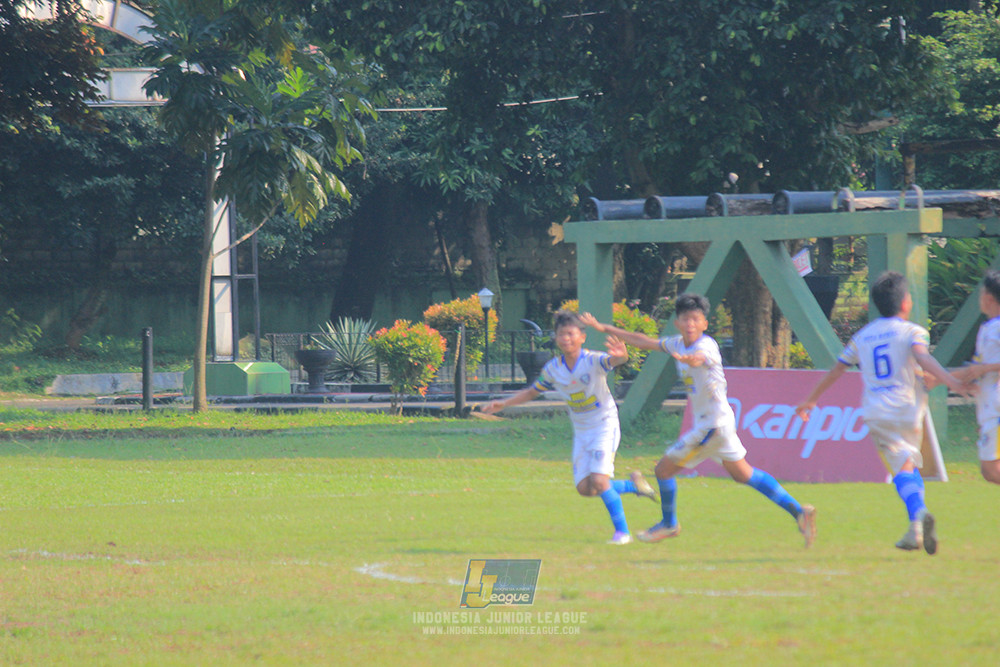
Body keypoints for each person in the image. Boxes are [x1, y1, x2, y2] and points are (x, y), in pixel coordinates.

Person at [581, 294, 817, 548]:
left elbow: (700, 359)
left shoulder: (706, 346)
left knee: (663, 470)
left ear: (705, 323)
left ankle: (669, 524)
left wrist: (688, 359)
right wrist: (604, 327)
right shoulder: (676, 344)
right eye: (685, 319)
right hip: (720, 423)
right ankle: (798, 511)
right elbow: (645, 341)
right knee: (743, 474)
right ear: (677, 323)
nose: (690, 324)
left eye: (695, 319)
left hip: (711, 427)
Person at [796, 271, 972, 555]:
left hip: (878, 410)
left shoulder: (863, 335)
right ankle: (915, 526)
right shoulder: (913, 331)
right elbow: (922, 357)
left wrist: (811, 400)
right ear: (905, 302)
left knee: (900, 466)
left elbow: (837, 370)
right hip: (910, 408)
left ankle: (919, 513)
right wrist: (950, 381)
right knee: (907, 463)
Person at [481, 310, 657, 545]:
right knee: (586, 488)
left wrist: (621, 357)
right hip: (582, 431)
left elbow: (613, 361)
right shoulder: (554, 368)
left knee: (600, 480)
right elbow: (533, 391)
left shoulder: (592, 360)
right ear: (556, 338)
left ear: (582, 337)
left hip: (604, 424)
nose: (566, 338)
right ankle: (632, 485)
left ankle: (622, 533)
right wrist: (504, 403)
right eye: (562, 334)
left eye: (571, 334)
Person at [930, 269, 1000, 485]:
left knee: (991, 468)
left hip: (997, 408)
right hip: (988, 407)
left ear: (988, 298)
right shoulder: (987, 329)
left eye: (980, 294)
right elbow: (975, 369)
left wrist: (985, 369)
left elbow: (982, 368)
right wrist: (938, 379)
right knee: (989, 470)